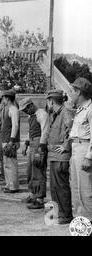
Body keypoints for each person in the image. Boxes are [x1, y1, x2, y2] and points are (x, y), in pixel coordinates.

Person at [45, 89, 74, 224]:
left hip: (61, 158)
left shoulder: (65, 113)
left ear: (51, 100)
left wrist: (66, 146)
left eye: (48, 101)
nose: (47, 103)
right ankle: (57, 213)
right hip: (54, 156)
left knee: (61, 187)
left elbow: (72, 132)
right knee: (55, 187)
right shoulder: (55, 114)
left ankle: (66, 214)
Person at [19, 97, 49, 209]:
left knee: (38, 171)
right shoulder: (31, 115)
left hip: (39, 143)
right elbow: (30, 130)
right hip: (32, 142)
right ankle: (32, 194)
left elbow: (45, 131)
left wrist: (41, 147)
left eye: (26, 109)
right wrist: (26, 144)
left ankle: (40, 198)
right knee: (30, 171)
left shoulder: (41, 114)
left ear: (31, 105)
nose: (24, 112)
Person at [69, 77, 92, 222]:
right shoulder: (80, 109)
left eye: (73, 91)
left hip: (84, 148)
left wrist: (89, 157)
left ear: (79, 92)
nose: (71, 94)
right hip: (76, 147)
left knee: (85, 190)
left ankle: (89, 220)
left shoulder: (90, 109)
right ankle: (79, 220)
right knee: (75, 187)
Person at [0, 89, 20, 193]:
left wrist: (12, 140)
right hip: (6, 139)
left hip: (10, 140)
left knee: (11, 164)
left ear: (7, 98)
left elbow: (15, 125)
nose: (2, 100)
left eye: (3, 98)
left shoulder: (13, 109)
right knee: (7, 164)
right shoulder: (8, 108)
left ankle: (13, 186)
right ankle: (9, 184)